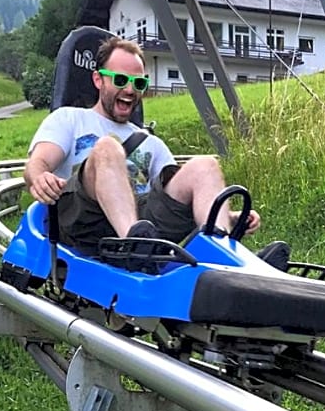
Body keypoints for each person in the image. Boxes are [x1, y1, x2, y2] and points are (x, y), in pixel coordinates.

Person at [24, 36, 261, 253]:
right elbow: (38, 163)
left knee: (205, 165)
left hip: (144, 223)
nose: (129, 90)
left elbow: (177, 196)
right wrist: (40, 177)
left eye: (138, 83)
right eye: (120, 80)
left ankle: (221, 250)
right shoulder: (69, 118)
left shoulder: (150, 142)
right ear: (98, 79)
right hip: (85, 221)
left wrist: (228, 216)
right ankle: (134, 247)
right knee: (108, 147)